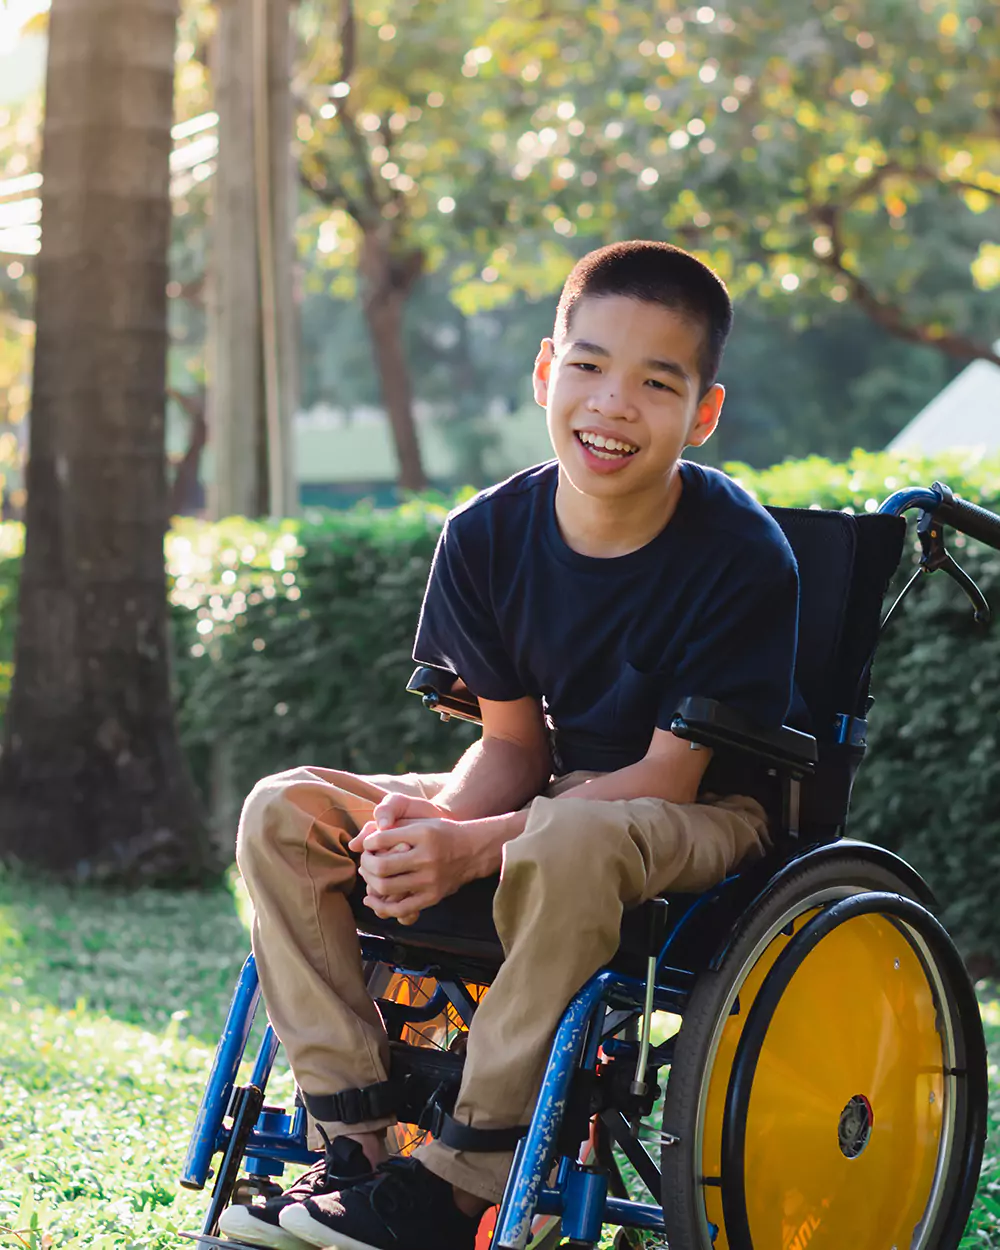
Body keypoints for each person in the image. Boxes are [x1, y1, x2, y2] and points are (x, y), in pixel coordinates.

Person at [220, 240, 799, 1250]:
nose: (612, 403)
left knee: (562, 841)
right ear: (544, 372)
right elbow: (513, 747)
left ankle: (460, 1182)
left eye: (655, 381)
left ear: (702, 412)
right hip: (548, 801)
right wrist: (430, 824)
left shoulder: (740, 554)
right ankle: (353, 1143)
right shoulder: (485, 533)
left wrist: (471, 845)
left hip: (700, 815)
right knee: (285, 811)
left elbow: (664, 778)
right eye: (587, 365)